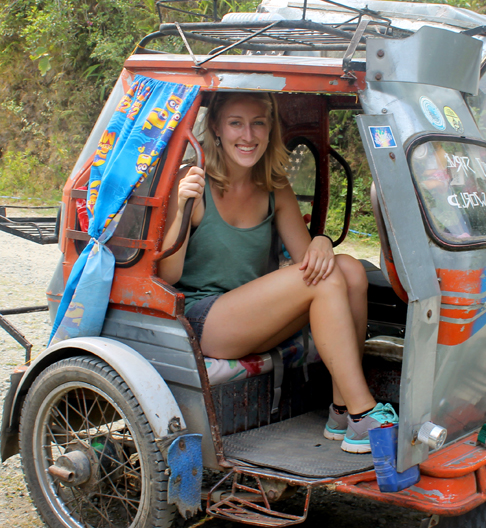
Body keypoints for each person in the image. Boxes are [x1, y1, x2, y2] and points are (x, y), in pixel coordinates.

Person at [159, 91, 396, 453]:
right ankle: (364, 412)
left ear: (271, 131)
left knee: (348, 268)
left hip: (257, 316)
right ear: (217, 129)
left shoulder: (275, 186)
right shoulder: (193, 182)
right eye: (236, 123)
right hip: (207, 320)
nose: (248, 135)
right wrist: (178, 209)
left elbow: (310, 261)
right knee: (327, 276)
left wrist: (320, 241)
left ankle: (342, 410)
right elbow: (168, 274)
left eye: (259, 124)